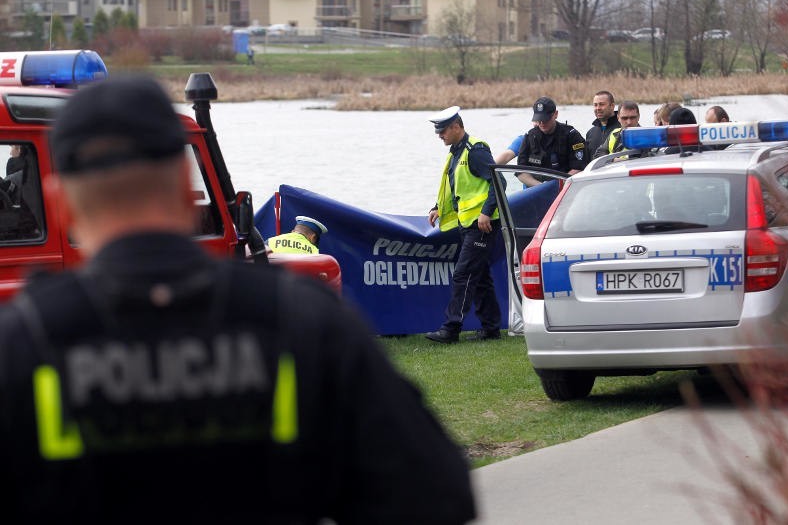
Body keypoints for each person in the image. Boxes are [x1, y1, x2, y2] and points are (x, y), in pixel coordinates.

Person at [0, 77, 476, 524]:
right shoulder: (304, 323)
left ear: (60, 204)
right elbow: (435, 495)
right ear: (188, 198)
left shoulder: (22, 345)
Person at [424, 105, 503, 344]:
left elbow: (498, 183)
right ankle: (491, 328)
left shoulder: (475, 150)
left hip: (482, 224)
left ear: (457, 126)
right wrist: (437, 207)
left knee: (463, 274)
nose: (440, 135)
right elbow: (454, 187)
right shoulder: (456, 152)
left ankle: (451, 328)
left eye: (443, 131)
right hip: (468, 223)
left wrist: (486, 213)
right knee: (479, 277)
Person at [517, 96, 587, 185]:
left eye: (545, 119)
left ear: (556, 114)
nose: (541, 123)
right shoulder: (530, 136)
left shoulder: (571, 135)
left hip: (567, 186)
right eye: (539, 119)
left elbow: (580, 167)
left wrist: (559, 185)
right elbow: (520, 171)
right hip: (537, 187)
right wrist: (541, 187)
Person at [585, 90, 621, 159]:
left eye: (601, 104)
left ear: (612, 106)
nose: (598, 108)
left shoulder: (623, 128)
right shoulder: (590, 133)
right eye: (595, 105)